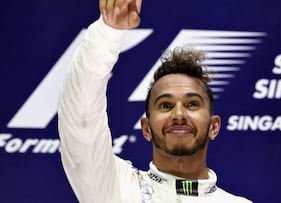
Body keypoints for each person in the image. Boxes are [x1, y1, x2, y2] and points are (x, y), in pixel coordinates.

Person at [58, 0, 252, 202]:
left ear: (214, 126)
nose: (179, 114)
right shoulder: (118, 188)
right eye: (165, 105)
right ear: (146, 128)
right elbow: (80, 117)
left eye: (192, 104)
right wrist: (108, 33)